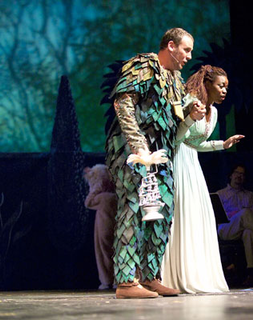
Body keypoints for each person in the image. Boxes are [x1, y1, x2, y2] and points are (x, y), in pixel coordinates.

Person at [105, 28, 206, 299]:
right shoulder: (143, 66)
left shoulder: (174, 78)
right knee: (133, 207)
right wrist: (138, 145)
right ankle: (126, 281)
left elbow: (169, 118)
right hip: (132, 151)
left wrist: (189, 113)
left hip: (161, 155)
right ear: (170, 46)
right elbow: (123, 104)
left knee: (162, 211)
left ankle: (149, 277)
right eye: (186, 50)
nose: (189, 56)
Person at [162, 65, 244, 293]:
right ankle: (173, 277)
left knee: (198, 217)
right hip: (177, 161)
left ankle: (196, 274)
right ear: (207, 84)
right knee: (181, 215)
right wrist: (189, 118)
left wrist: (223, 144)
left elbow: (195, 144)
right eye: (221, 85)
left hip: (192, 164)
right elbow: (175, 139)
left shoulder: (214, 112)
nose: (225, 90)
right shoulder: (188, 102)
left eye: (226, 86)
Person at [216, 164, 253, 284]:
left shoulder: (249, 195)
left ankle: (251, 271)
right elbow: (217, 214)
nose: (239, 176)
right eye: (237, 173)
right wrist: (239, 213)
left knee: (249, 232)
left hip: (244, 229)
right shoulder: (221, 194)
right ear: (231, 175)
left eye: (242, 174)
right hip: (227, 229)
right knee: (245, 212)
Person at [83, 164, 116, 290]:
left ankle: (107, 280)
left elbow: (88, 202)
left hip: (103, 228)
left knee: (104, 254)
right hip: (113, 227)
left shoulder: (101, 197)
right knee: (114, 253)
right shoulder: (114, 196)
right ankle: (117, 279)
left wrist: (95, 188)